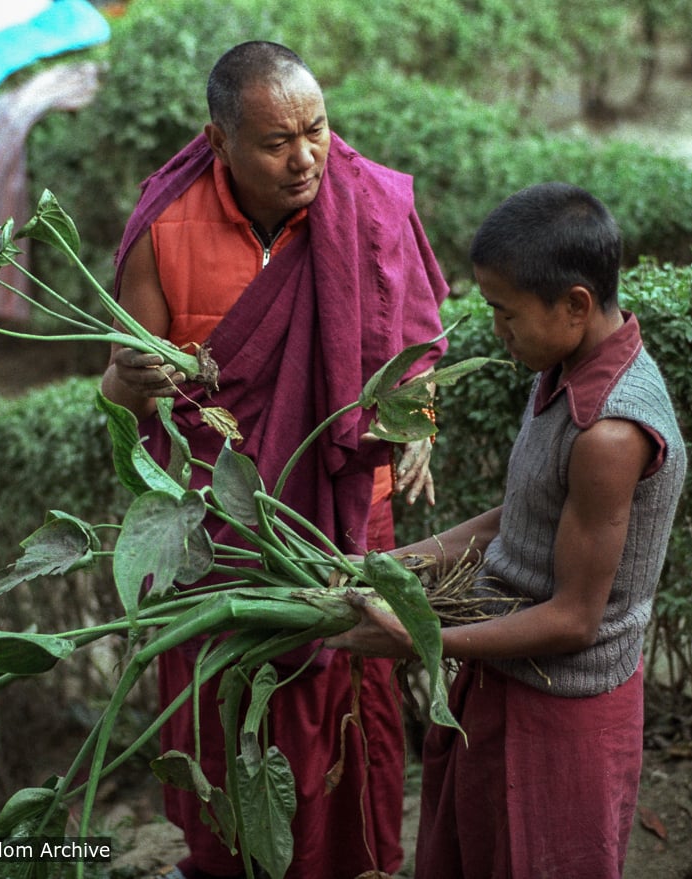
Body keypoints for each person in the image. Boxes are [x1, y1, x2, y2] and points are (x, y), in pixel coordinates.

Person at [101, 42, 450, 879]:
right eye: (276, 142)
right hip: (215, 533)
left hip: (339, 506)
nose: (306, 158)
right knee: (229, 717)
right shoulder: (166, 230)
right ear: (219, 142)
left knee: (351, 702)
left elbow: (410, 342)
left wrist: (419, 421)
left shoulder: (366, 205)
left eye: (317, 130)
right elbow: (123, 402)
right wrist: (122, 377)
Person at [327, 182, 688, 879]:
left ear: (575, 304)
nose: (497, 329)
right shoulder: (561, 365)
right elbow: (515, 518)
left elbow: (575, 620)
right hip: (503, 674)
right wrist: (387, 564)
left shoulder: (611, 431)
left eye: (504, 312)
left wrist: (417, 642)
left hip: (564, 711)